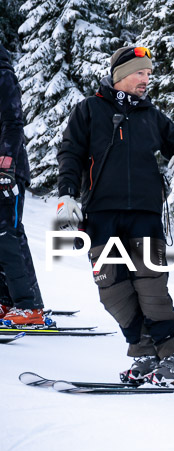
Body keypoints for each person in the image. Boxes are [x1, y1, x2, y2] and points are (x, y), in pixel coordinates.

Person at [56, 46, 174, 387]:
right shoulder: (89, 110)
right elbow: (70, 153)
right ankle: (144, 352)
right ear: (121, 75)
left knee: (151, 289)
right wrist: (66, 195)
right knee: (113, 291)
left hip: (145, 216)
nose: (146, 80)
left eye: (148, 74)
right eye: (140, 73)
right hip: (102, 215)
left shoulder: (152, 115)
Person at [0, 43, 46, 326]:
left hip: (9, 171)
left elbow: (14, 123)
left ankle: (29, 307)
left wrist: (5, 164)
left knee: (7, 235)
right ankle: (7, 302)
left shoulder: (3, 75)